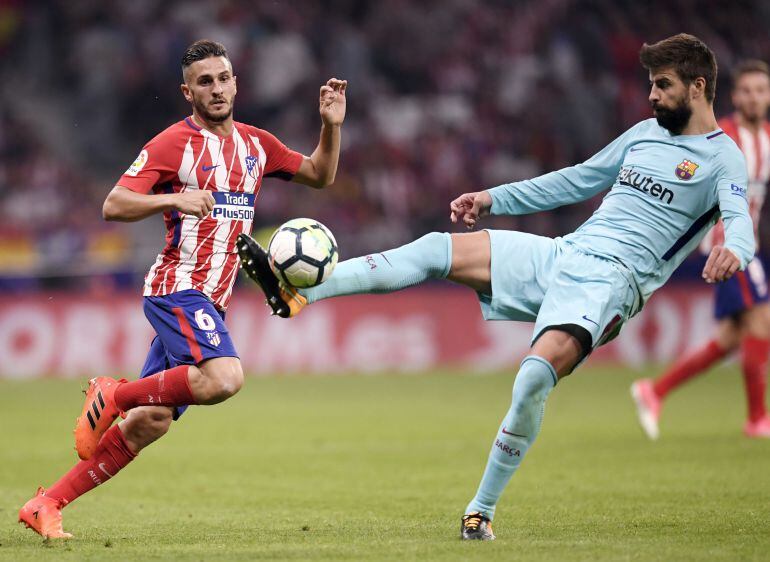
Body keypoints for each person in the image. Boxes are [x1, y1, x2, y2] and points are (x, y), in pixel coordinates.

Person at [237, 34, 753, 541]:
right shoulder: (644, 134)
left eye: (663, 85)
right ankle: (296, 294)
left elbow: (741, 222)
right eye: (651, 85)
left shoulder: (722, 159)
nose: (652, 95)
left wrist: (737, 251)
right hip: (564, 253)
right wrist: (492, 198)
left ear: (698, 86)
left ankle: (479, 511)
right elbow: (576, 180)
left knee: (531, 381)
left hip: (610, 286)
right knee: (433, 250)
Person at [18, 39, 347, 539]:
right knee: (224, 378)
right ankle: (114, 393)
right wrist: (174, 197)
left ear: (236, 82)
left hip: (212, 300)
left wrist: (331, 125)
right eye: (205, 82)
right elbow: (114, 204)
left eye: (223, 78)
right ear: (187, 92)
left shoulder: (257, 145)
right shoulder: (173, 142)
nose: (216, 89)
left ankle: (46, 503)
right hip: (177, 289)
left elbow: (321, 175)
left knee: (149, 422)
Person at [632, 60, 770, 440]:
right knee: (762, 322)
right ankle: (758, 420)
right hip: (727, 246)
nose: (755, 98)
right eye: (748, 90)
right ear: (736, 96)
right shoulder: (720, 137)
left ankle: (653, 391)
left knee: (729, 338)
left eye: (762, 90)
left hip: (747, 244)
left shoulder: (768, 138)